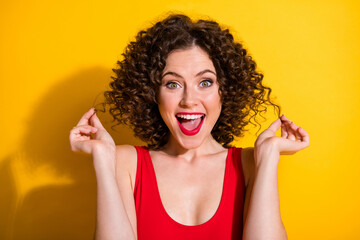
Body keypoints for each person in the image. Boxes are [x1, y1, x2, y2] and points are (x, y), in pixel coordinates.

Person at [69, 14, 309, 240]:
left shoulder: (250, 164)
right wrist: (102, 159)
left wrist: (268, 158)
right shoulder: (126, 163)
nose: (189, 100)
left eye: (205, 82)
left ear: (225, 91)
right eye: (172, 84)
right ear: (152, 93)